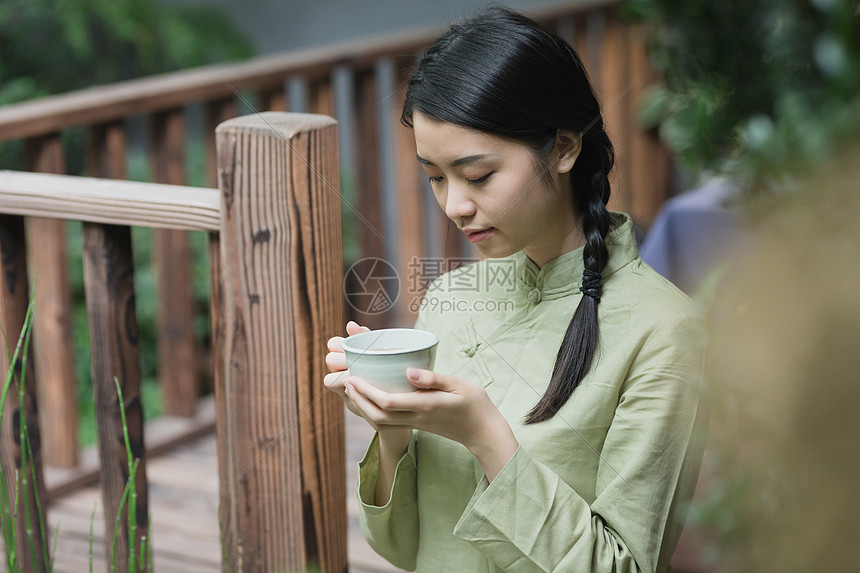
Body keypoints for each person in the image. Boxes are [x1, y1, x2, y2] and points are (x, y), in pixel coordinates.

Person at [324, 7, 707, 572]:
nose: (454, 205)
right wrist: (393, 429)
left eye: (478, 176)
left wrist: (485, 437)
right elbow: (403, 548)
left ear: (564, 148)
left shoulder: (664, 330)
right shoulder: (448, 296)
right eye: (434, 176)